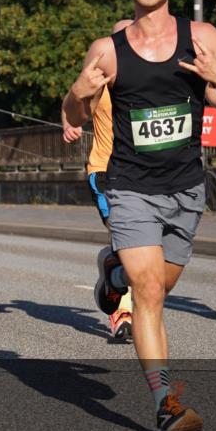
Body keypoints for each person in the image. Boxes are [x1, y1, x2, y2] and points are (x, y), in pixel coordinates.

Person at [63, 0, 216, 431]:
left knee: (158, 287)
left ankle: (114, 269)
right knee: (149, 294)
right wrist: (76, 97)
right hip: (129, 187)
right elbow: (73, 111)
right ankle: (165, 405)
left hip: (186, 188)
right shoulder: (108, 49)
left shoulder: (203, 37)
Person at [63, 19, 136, 341]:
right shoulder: (102, 76)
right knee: (127, 243)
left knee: (146, 249)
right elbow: (73, 100)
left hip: (146, 174)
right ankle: (123, 316)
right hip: (105, 170)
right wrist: (69, 122)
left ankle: (109, 271)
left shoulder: (153, 77)